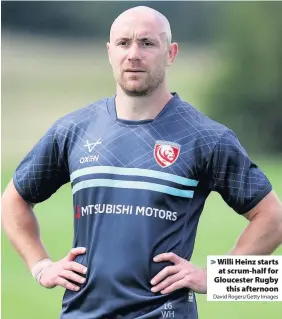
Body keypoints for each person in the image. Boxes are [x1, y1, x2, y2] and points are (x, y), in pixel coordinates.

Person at [2, 5, 282, 319]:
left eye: (147, 43)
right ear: (109, 52)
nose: (133, 54)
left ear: (171, 52)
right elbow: (13, 200)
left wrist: (216, 279)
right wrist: (41, 267)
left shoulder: (206, 138)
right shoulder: (73, 130)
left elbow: (273, 217)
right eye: (123, 43)